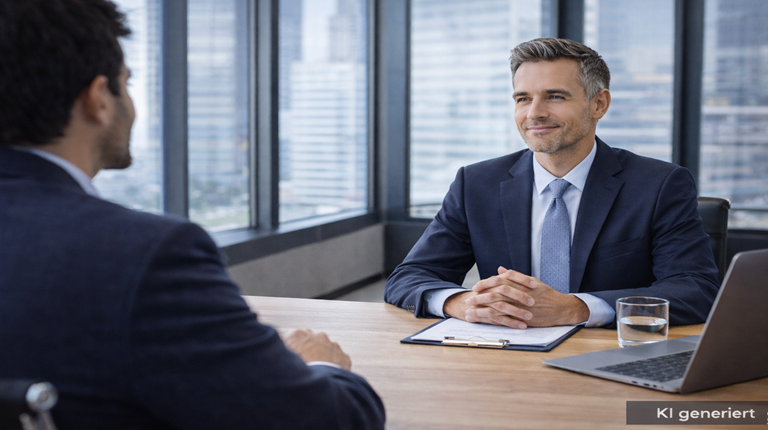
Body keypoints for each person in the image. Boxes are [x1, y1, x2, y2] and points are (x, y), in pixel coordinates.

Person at [0, 1, 384, 429]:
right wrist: (319, 366)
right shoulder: (141, 255)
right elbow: (327, 420)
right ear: (98, 99)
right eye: (126, 83)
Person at [385, 37, 719, 330]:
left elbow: (695, 290)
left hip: (608, 357)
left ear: (599, 104)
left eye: (554, 96)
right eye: (522, 98)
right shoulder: (475, 184)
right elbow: (408, 277)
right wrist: (462, 303)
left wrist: (577, 309)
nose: (534, 113)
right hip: (506, 355)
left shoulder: (659, 185)